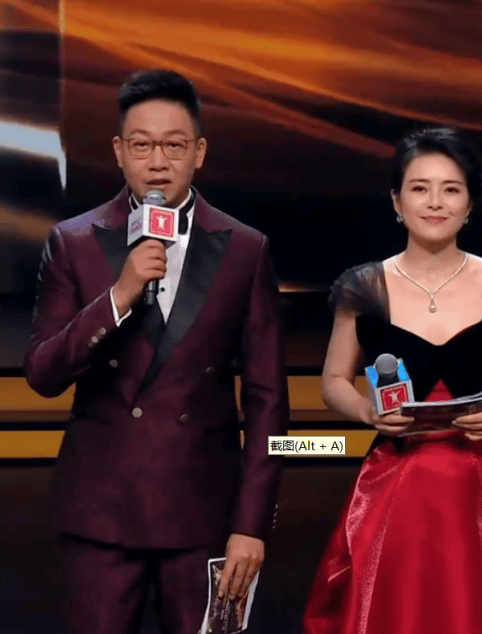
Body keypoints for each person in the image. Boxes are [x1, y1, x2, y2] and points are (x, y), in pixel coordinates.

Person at [24, 69, 290, 634]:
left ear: (199, 153)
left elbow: (269, 404)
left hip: (204, 515)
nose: (158, 162)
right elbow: (42, 373)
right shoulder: (73, 241)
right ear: (119, 152)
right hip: (100, 511)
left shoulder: (245, 249)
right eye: (142, 145)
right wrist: (118, 297)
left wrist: (252, 524)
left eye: (174, 145)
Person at [302, 127, 482, 633]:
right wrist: (366, 411)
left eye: (451, 189)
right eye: (420, 188)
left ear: (469, 204)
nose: (435, 202)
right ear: (397, 200)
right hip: (394, 483)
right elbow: (334, 380)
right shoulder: (363, 287)